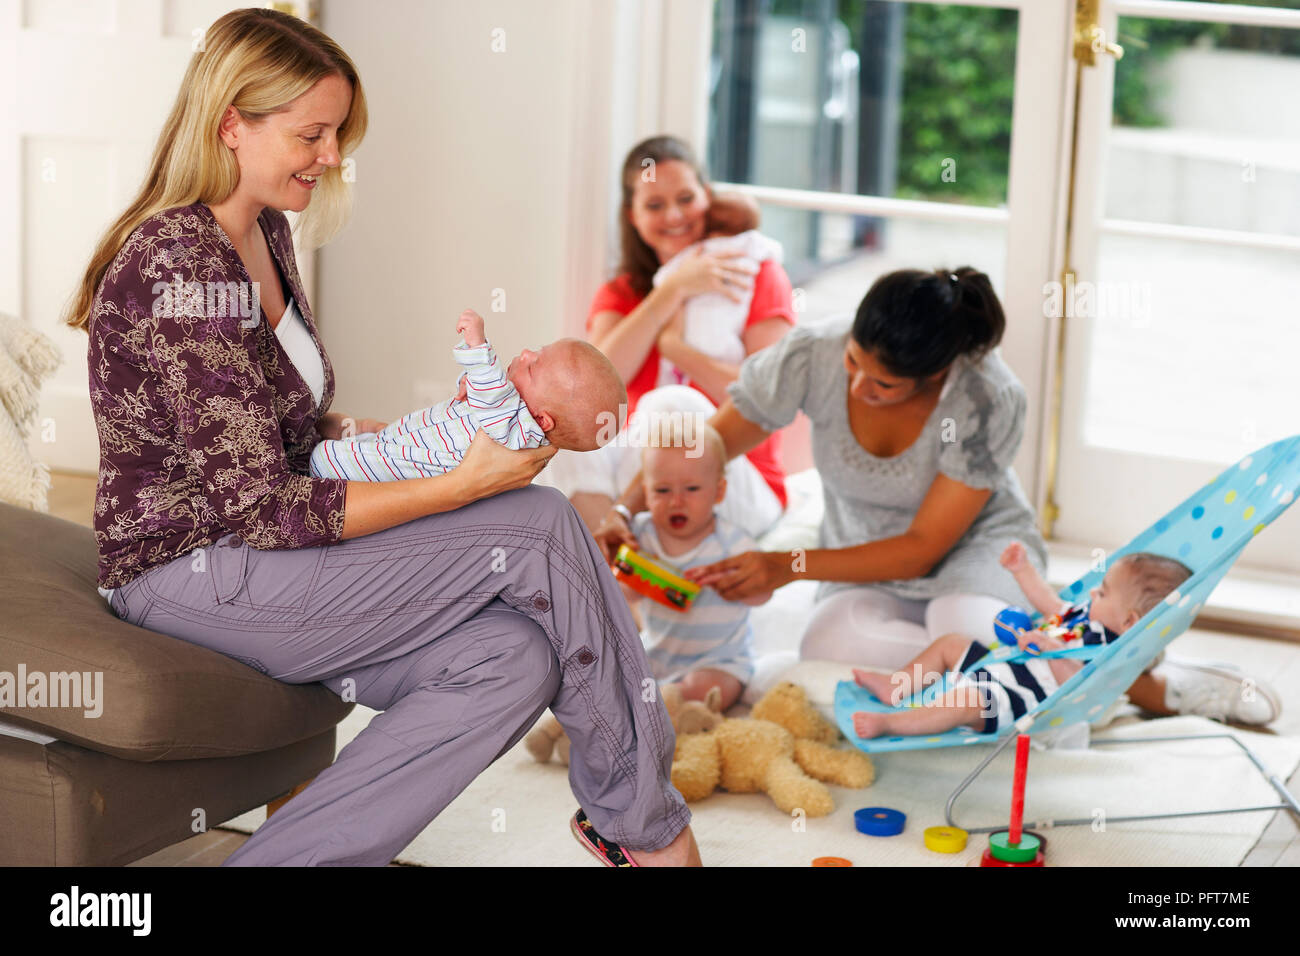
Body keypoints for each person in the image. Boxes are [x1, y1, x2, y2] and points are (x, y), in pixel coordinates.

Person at [66, 8, 698, 866]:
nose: (333, 158)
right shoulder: (179, 264)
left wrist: (400, 440)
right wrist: (463, 485)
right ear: (230, 125)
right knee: (539, 526)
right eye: (313, 134)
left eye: (337, 135)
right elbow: (258, 505)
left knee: (511, 655)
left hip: (262, 550)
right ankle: (646, 830)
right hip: (188, 568)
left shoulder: (265, 233)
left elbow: (275, 428)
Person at [596, 266, 1280, 726]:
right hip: (858, 553)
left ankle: (1152, 685)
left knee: (965, 618)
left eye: (883, 384)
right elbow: (703, 445)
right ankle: (1015, 676)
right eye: (855, 362)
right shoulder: (813, 354)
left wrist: (786, 566)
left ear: (938, 375)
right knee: (827, 642)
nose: (858, 385)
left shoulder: (986, 397)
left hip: (971, 552)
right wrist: (629, 511)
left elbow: (925, 548)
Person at [541, 135, 794, 541]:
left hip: (737, 485)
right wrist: (672, 290)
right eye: (655, 205)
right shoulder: (621, 293)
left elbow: (772, 397)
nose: (674, 216)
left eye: (686, 198)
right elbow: (592, 390)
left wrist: (678, 351)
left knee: (673, 407)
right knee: (563, 434)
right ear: (633, 216)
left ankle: (618, 567)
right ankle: (620, 570)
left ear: (707, 197)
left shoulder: (756, 273)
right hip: (638, 480)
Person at [850, 550, 1193, 739]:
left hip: (1017, 698)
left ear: (1130, 621)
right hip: (1000, 665)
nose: (1093, 593)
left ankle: (892, 724)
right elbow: (1049, 603)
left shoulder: (1108, 652)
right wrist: (1022, 570)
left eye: (1102, 592)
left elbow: (1077, 687)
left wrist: (1050, 649)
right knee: (950, 644)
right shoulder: (1084, 617)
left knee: (966, 702)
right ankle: (896, 687)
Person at [309, 309, 625, 480]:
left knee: (330, 458)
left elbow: (490, 390)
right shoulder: (510, 407)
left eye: (533, 367)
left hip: (418, 466)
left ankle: (313, 462)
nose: (526, 353)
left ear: (543, 420)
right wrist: (468, 379)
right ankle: (320, 441)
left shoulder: (521, 435)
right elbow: (483, 391)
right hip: (404, 438)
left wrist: (478, 343)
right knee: (352, 431)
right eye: (537, 351)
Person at [625, 422, 771, 712]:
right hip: (656, 654)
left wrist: (736, 584)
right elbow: (625, 596)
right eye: (662, 490)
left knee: (707, 690)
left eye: (691, 489)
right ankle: (649, 705)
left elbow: (762, 593)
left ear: (718, 492)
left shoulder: (732, 544)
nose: (676, 501)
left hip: (719, 660)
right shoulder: (641, 535)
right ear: (646, 491)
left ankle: (667, 710)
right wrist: (629, 577)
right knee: (611, 676)